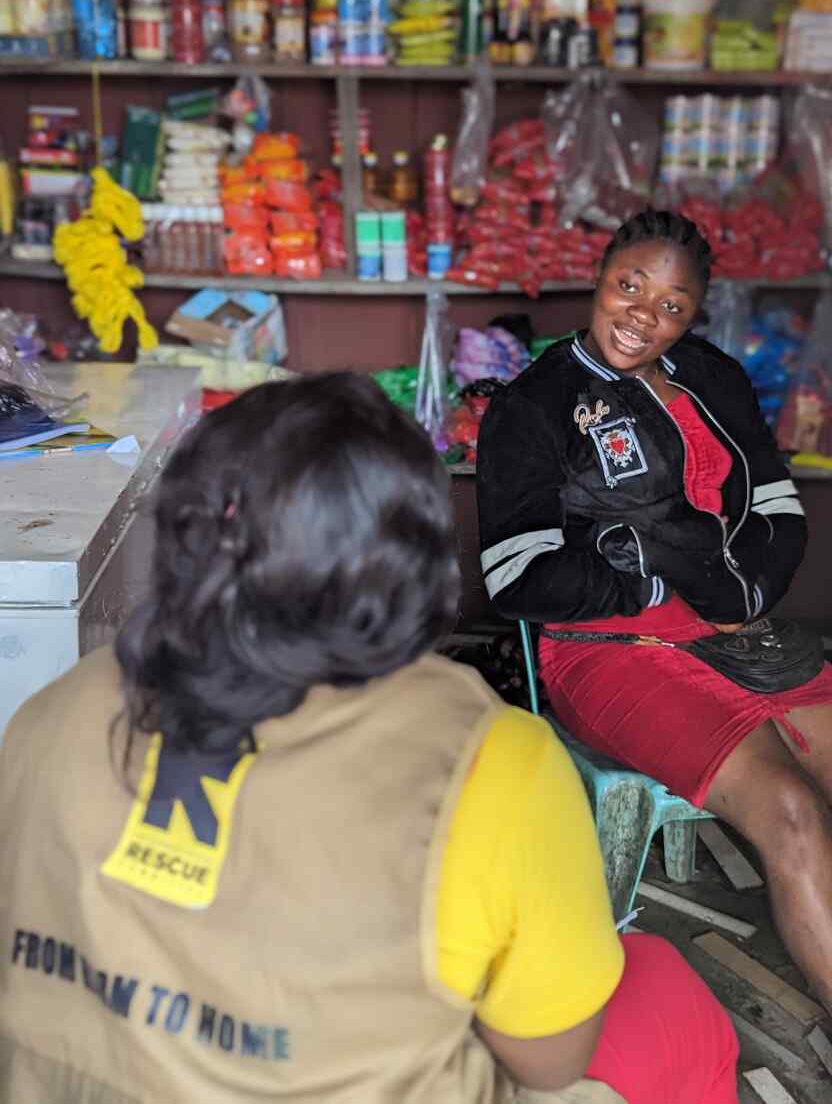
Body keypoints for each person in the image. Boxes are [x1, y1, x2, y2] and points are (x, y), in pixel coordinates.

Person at [0, 372, 737, 1104]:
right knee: (670, 996)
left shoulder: (62, 704)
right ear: (414, 563)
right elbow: (549, 1062)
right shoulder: (491, 762)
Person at [476, 209, 832, 1104]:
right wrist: (644, 579)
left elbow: (776, 505)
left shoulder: (713, 378)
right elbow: (517, 576)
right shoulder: (534, 405)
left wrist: (745, 589)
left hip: (733, 633)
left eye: (673, 304)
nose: (643, 315)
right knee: (792, 812)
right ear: (600, 275)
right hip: (604, 649)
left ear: (694, 316)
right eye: (630, 286)